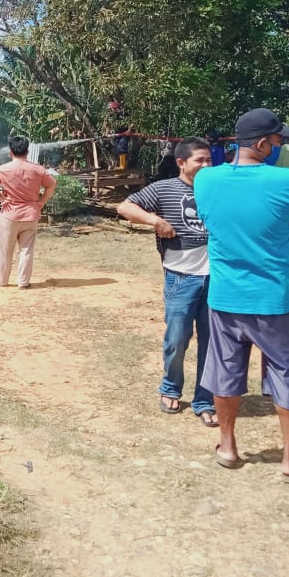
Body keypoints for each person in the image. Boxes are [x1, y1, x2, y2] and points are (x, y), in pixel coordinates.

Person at [193, 108, 289, 483]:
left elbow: (213, 222)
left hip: (226, 296)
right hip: (276, 297)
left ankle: (228, 447)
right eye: (278, 140)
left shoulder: (206, 180)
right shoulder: (288, 181)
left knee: (225, 370)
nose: (280, 145)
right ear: (262, 143)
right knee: (288, 373)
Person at [118, 137, 216, 426]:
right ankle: (171, 388)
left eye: (210, 160)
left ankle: (205, 400)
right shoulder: (164, 189)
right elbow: (124, 206)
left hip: (217, 280)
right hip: (180, 279)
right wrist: (155, 221)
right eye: (200, 160)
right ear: (181, 162)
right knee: (177, 340)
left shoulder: (218, 189)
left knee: (212, 344)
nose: (207, 165)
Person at [0, 136, 57, 290]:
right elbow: (52, 185)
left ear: (10, 152)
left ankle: (2, 280)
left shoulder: (3, 169)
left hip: (9, 215)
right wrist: (41, 202)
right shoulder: (38, 169)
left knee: (5, 250)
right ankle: (23, 282)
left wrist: (0, 198)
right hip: (31, 215)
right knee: (27, 250)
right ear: (27, 151)